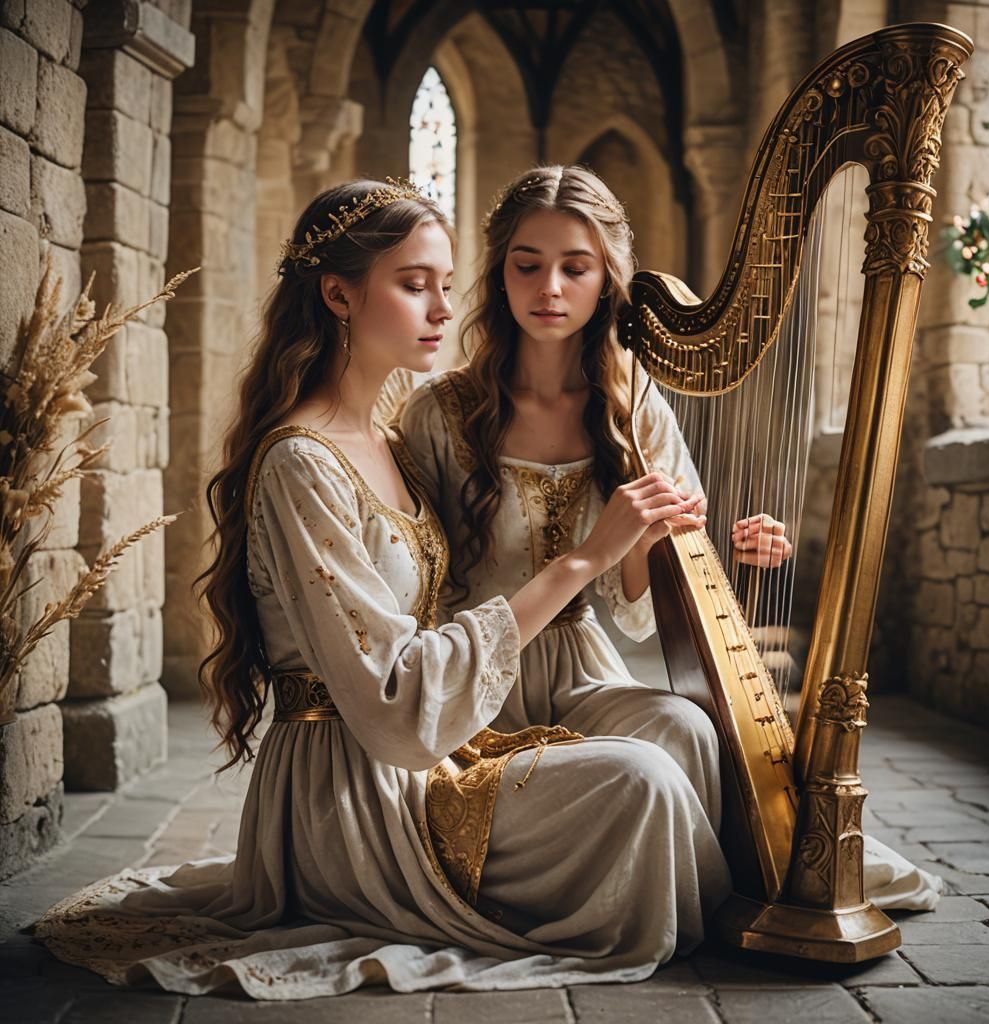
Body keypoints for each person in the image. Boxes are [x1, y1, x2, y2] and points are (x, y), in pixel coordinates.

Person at [33, 179, 731, 999]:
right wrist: (581, 559)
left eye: (444, 284)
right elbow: (396, 702)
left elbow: (443, 622)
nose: (443, 308)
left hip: (428, 732)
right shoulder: (310, 459)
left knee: (675, 736)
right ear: (338, 294)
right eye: (414, 284)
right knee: (640, 779)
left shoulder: (382, 443)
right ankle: (633, 904)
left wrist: (688, 548)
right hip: (354, 776)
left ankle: (694, 903)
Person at [398, 164, 942, 914]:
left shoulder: (634, 407)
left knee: (685, 726)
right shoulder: (439, 412)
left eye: (574, 268)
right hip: (476, 670)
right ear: (498, 276)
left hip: (582, 668)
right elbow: (414, 582)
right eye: (527, 265)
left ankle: (705, 903)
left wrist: (732, 555)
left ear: (606, 281)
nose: (549, 287)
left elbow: (639, 612)